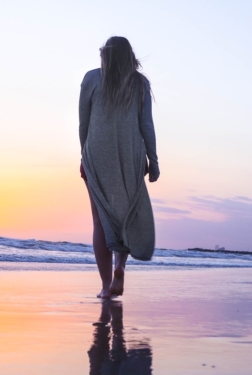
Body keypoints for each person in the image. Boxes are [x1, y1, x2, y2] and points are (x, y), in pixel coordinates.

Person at [79, 36, 160, 299]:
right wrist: (154, 161)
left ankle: (105, 286)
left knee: (100, 221)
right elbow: (146, 125)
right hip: (130, 155)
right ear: (130, 56)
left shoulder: (91, 78)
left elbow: (84, 123)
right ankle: (120, 268)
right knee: (126, 216)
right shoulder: (140, 83)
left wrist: (84, 156)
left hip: (97, 154)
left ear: (105, 54)